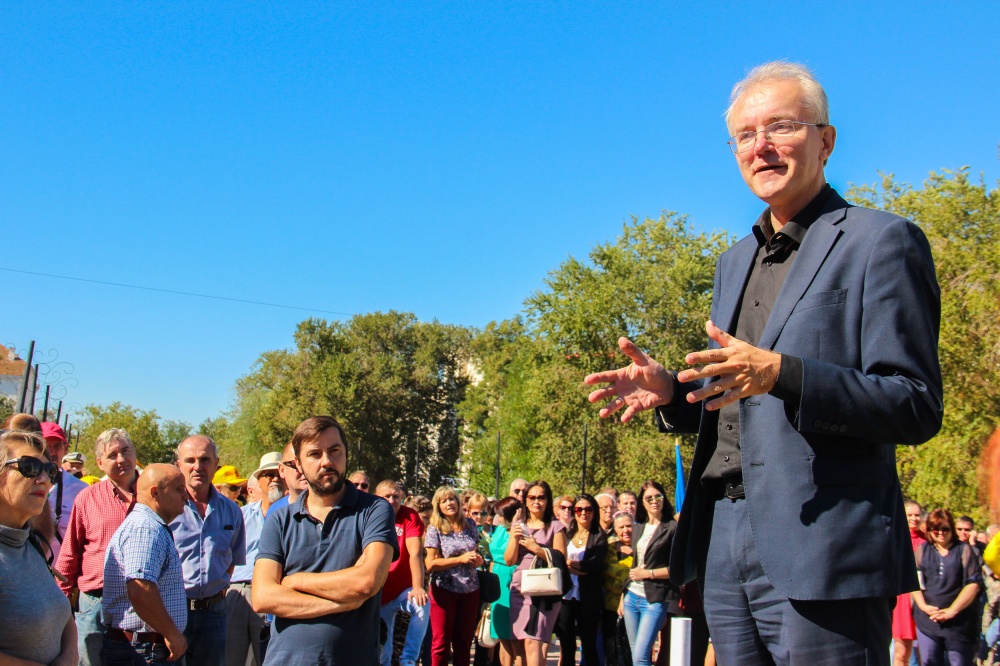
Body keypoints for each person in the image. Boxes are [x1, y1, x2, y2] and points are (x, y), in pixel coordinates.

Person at [585, 60, 943, 664]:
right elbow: (742, 412)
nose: (762, 147)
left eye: (781, 127)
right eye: (746, 135)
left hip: (826, 547)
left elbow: (913, 404)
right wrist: (674, 393)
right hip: (724, 544)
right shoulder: (732, 262)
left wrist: (785, 374)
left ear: (826, 140)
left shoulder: (881, 242)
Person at [252, 415, 397, 665]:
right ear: (297, 464)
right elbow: (263, 597)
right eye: (314, 454)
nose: (326, 461)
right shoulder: (280, 520)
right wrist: (345, 602)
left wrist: (294, 581)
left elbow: (365, 582)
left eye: (334, 451)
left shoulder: (374, 510)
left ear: (346, 454)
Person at [56, 427, 141, 666]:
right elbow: (70, 553)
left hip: (142, 602)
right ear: (100, 463)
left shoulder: (154, 494)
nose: (122, 459)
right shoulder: (87, 498)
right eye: (112, 455)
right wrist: (62, 605)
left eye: (126, 451)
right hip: (94, 604)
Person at [0, 429, 77, 665]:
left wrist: (70, 655)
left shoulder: (32, 543)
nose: (43, 479)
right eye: (29, 467)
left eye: (49, 471)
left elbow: (63, 614)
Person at [170, 435, 247, 666]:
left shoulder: (232, 511)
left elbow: (232, 560)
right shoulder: (165, 508)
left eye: (205, 460)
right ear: (178, 465)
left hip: (215, 612)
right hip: (174, 611)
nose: (197, 467)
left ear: (216, 464)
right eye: (190, 460)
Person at [102, 464, 189, 665]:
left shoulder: (148, 525)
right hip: (143, 650)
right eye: (178, 489)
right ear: (155, 492)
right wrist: (172, 634)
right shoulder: (145, 528)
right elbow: (140, 589)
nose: (185, 496)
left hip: (145, 648)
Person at [227, 452, 285, 666]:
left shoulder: (294, 515)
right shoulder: (241, 515)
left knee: (268, 658)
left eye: (278, 473)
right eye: (267, 475)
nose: (274, 479)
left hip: (273, 593)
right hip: (238, 592)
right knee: (231, 658)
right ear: (259, 481)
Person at [505, 480, 568, 666]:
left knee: (534, 641)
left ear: (548, 500)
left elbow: (560, 559)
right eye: (531, 497)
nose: (536, 501)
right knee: (519, 644)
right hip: (520, 588)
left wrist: (536, 548)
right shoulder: (519, 524)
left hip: (544, 590)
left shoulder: (556, 527)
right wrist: (514, 538)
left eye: (541, 497)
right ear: (525, 501)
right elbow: (509, 560)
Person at [911, 508, 982, 665]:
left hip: (958, 622)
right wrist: (923, 606)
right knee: (930, 661)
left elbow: (974, 584)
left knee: (958, 662)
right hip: (928, 620)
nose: (940, 533)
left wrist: (952, 610)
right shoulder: (923, 550)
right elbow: (914, 582)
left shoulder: (963, 550)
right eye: (935, 529)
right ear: (929, 530)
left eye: (945, 528)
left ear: (951, 529)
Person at [424, 485, 483, 666]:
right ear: (438, 506)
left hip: (470, 590)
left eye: (452, 499)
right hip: (444, 590)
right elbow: (430, 564)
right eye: (444, 501)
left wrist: (477, 560)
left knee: (463, 644)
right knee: (441, 643)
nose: (449, 503)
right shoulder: (435, 528)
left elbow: (475, 551)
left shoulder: (470, 524)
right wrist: (460, 560)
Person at [621, 481, 676, 666]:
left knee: (641, 657)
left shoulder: (672, 528)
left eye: (658, 496)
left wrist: (648, 574)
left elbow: (677, 569)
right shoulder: (638, 528)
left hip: (654, 599)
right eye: (649, 498)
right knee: (634, 655)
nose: (654, 501)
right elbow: (635, 566)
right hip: (631, 597)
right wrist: (624, 595)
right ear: (642, 502)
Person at [375, 479, 430, 666]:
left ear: (402, 498)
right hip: (379, 592)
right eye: (386, 496)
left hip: (402, 591)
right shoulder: (372, 515)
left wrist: (417, 587)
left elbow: (415, 552)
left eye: (396, 496)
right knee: (383, 651)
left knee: (421, 604)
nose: (392, 500)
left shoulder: (410, 516)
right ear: (377, 498)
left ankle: (408, 659)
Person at [554, 493, 607, 666]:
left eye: (588, 509)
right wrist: (576, 567)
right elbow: (559, 561)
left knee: (588, 645)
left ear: (594, 512)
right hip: (566, 596)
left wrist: (571, 565)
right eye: (579, 509)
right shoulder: (566, 533)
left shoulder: (599, 536)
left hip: (588, 597)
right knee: (566, 644)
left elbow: (594, 566)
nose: (583, 513)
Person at [41, 421, 89, 560]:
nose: (51, 452)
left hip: (62, 577)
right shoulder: (25, 485)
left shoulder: (81, 490)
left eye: (57, 446)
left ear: (66, 449)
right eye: (46, 446)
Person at [893, 500, 927, 666]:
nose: (914, 518)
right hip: (903, 600)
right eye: (910, 515)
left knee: (925, 651)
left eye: (917, 515)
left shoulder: (927, 541)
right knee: (902, 651)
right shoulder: (896, 538)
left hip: (924, 599)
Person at [488, 496, 521, 666]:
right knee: (502, 635)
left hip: (512, 579)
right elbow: (493, 555)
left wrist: (516, 525)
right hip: (497, 580)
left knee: (515, 637)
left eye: (501, 515)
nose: (498, 519)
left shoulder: (519, 531)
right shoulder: (499, 529)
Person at [604, 511, 636, 666]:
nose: (626, 530)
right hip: (610, 608)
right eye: (621, 527)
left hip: (636, 606)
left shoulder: (642, 548)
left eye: (629, 526)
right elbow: (610, 573)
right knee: (613, 652)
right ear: (615, 530)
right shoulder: (609, 549)